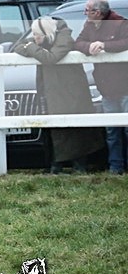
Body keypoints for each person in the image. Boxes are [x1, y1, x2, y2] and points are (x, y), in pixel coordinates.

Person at [15, 17, 106, 174]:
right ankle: (56, 166)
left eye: (37, 35)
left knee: (76, 130)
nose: (35, 38)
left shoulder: (65, 38)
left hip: (71, 91)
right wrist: (33, 47)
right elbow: (19, 46)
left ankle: (78, 166)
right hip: (52, 91)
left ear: (47, 32)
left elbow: (51, 58)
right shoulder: (44, 40)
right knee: (55, 130)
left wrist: (32, 48)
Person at [74, 0, 128, 174]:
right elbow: (78, 42)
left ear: (97, 12)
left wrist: (104, 45)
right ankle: (115, 167)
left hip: (125, 85)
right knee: (112, 131)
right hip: (106, 87)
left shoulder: (121, 23)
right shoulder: (89, 25)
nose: (85, 14)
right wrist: (89, 47)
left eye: (87, 10)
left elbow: (126, 42)